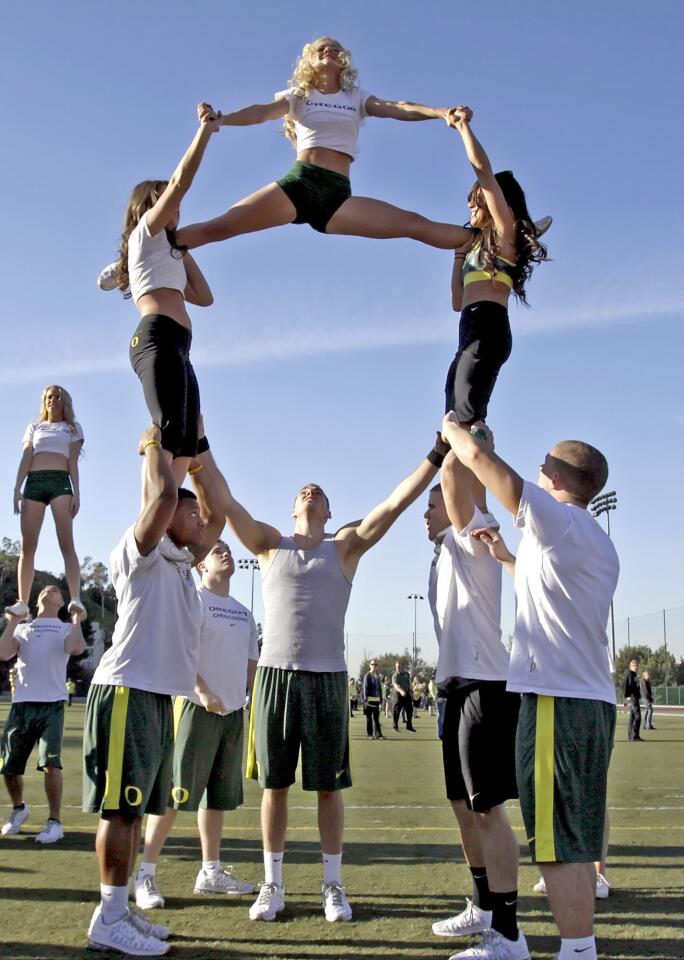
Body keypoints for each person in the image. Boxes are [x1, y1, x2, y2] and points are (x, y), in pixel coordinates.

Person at [217, 435, 448, 923]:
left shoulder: (342, 547)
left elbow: (393, 504)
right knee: (274, 788)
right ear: (293, 507)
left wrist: (436, 456)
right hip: (276, 678)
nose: (309, 491)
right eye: (303, 490)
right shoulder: (267, 543)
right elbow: (226, 500)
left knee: (328, 789)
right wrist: (197, 454)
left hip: (326, 681)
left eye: (317, 491)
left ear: (327, 510)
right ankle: (272, 885)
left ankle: (332, 885)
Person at [441, 413, 619, 960]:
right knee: (575, 838)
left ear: (559, 478)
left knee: (557, 846)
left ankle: (577, 952)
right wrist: (508, 559)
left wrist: (456, 429)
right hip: (591, 703)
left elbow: (478, 462)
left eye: (544, 468)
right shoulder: (594, 542)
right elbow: (549, 591)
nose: (538, 475)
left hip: (556, 702)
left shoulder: (556, 518)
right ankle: (567, 947)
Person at [81, 424, 225, 956]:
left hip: (156, 698)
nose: (199, 520)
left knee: (135, 809)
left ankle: (118, 912)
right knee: (121, 810)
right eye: (191, 514)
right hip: (125, 692)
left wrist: (201, 456)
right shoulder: (140, 550)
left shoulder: (183, 564)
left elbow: (220, 512)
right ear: (168, 520)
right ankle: (109, 920)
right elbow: (164, 494)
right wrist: (154, 445)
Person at [176, 37, 476, 252]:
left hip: (337, 195)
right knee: (221, 227)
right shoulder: (298, 95)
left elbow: (397, 107)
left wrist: (441, 113)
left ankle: (485, 240)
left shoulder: (356, 97)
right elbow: (261, 112)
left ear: (342, 60)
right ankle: (157, 243)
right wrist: (222, 119)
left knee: (411, 223)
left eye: (335, 49)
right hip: (300, 184)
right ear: (310, 59)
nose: (329, 51)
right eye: (322, 48)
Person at [424, 447, 526, 955]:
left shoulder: (474, 539)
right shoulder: (444, 553)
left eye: (433, 505)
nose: (427, 512)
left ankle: (508, 933)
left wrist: (464, 437)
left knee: (487, 811)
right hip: (455, 690)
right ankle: (483, 906)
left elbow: (453, 477)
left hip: (485, 688)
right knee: (464, 807)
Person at [134, 539, 257, 909]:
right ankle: (146, 873)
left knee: (216, 799)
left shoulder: (244, 612)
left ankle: (211, 871)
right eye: (216, 550)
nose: (225, 552)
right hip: (194, 709)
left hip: (233, 715)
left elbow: (251, 660)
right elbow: (179, 653)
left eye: (228, 549)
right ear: (200, 566)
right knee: (174, 797)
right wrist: (203, 691)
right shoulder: (192, 601)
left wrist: (247, 695)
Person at [103, 103, 220, 486]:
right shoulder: (146, 233)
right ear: (148, 206)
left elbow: (204, 296)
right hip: (156, 337)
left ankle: (163, 517)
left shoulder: (168, 249)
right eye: (165, 199)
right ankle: (150, 514)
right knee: (168, 434)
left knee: (188, 442)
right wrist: (205, 132)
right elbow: (181, 180)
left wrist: (183, 247)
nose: (176, 206)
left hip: (180, 345)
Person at [445, 106, 548, 439]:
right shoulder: (476, 247)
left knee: (466, 418)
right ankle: (463, 469)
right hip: (470, 326)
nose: (470, 208)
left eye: (475, 201)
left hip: (487, 325)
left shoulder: (505, 236)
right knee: (453, 413)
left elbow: (485, 173)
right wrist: (459, 258)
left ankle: (484, 457)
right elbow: (457, 302)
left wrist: (463, 130)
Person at [0, 586, 87, 843]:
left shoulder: (65, 627)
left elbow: (77, 648)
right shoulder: (24, 627)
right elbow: (4, 653)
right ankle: (19, 809)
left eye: (56, 590)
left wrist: (76, 619)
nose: (50, 590)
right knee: (9, 766)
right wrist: (14, 620)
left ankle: (54, 822)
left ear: (61, 602)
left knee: (50, 763)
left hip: (52, 705)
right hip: (22, 704)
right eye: (46, 588)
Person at [6, 386, 86, 620]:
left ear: (64, 402)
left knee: (66, 544)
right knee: (27, 546)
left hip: (60, 482)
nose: (53, 400)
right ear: (45, 401)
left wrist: (77, 492)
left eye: (58, 396)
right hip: (34, 483)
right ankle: (22, 603)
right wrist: (16, 488)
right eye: (49, 396)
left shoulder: (72, 428)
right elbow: (26, 457)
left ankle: (75, 599)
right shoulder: (34, 427)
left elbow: (73, 462)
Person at [362, 659, 384, 739]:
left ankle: (378, 735)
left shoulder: (378, 676)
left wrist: (381, 700)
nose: (374, 666)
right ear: (370, 665)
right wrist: (365, 700)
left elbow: (379, 689)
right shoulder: (367, 675)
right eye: (372, 664)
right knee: (369, 719)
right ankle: (370, 734)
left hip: (377, 700)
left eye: (375, 664)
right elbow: (365, 688)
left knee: (376, 718)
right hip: (369, 701)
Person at [392, 660, 415, 731]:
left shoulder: (406, 674)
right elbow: (395, 685)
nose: (398, 667)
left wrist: (411, 690)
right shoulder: (395, 675)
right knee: (397, 710)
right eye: (397, 666)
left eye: (399, 666)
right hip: (399, 694)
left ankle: (409, 726)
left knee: (410, 710)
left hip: (407, 693)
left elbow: (409, 683)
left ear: (402, 666)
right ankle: (395, 726)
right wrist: (401, 691)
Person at [623, 658, 642, 741]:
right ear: (631, 666)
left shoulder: (634, 674)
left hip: (635, 697)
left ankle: (632, 736)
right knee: (638, 716)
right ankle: (634, 736)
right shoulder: (630, 673)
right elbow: (625, 685)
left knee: (632, 717)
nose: (636, 667)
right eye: (634, 665)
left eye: (637, 665)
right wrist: (627, 696)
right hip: (632, 698)